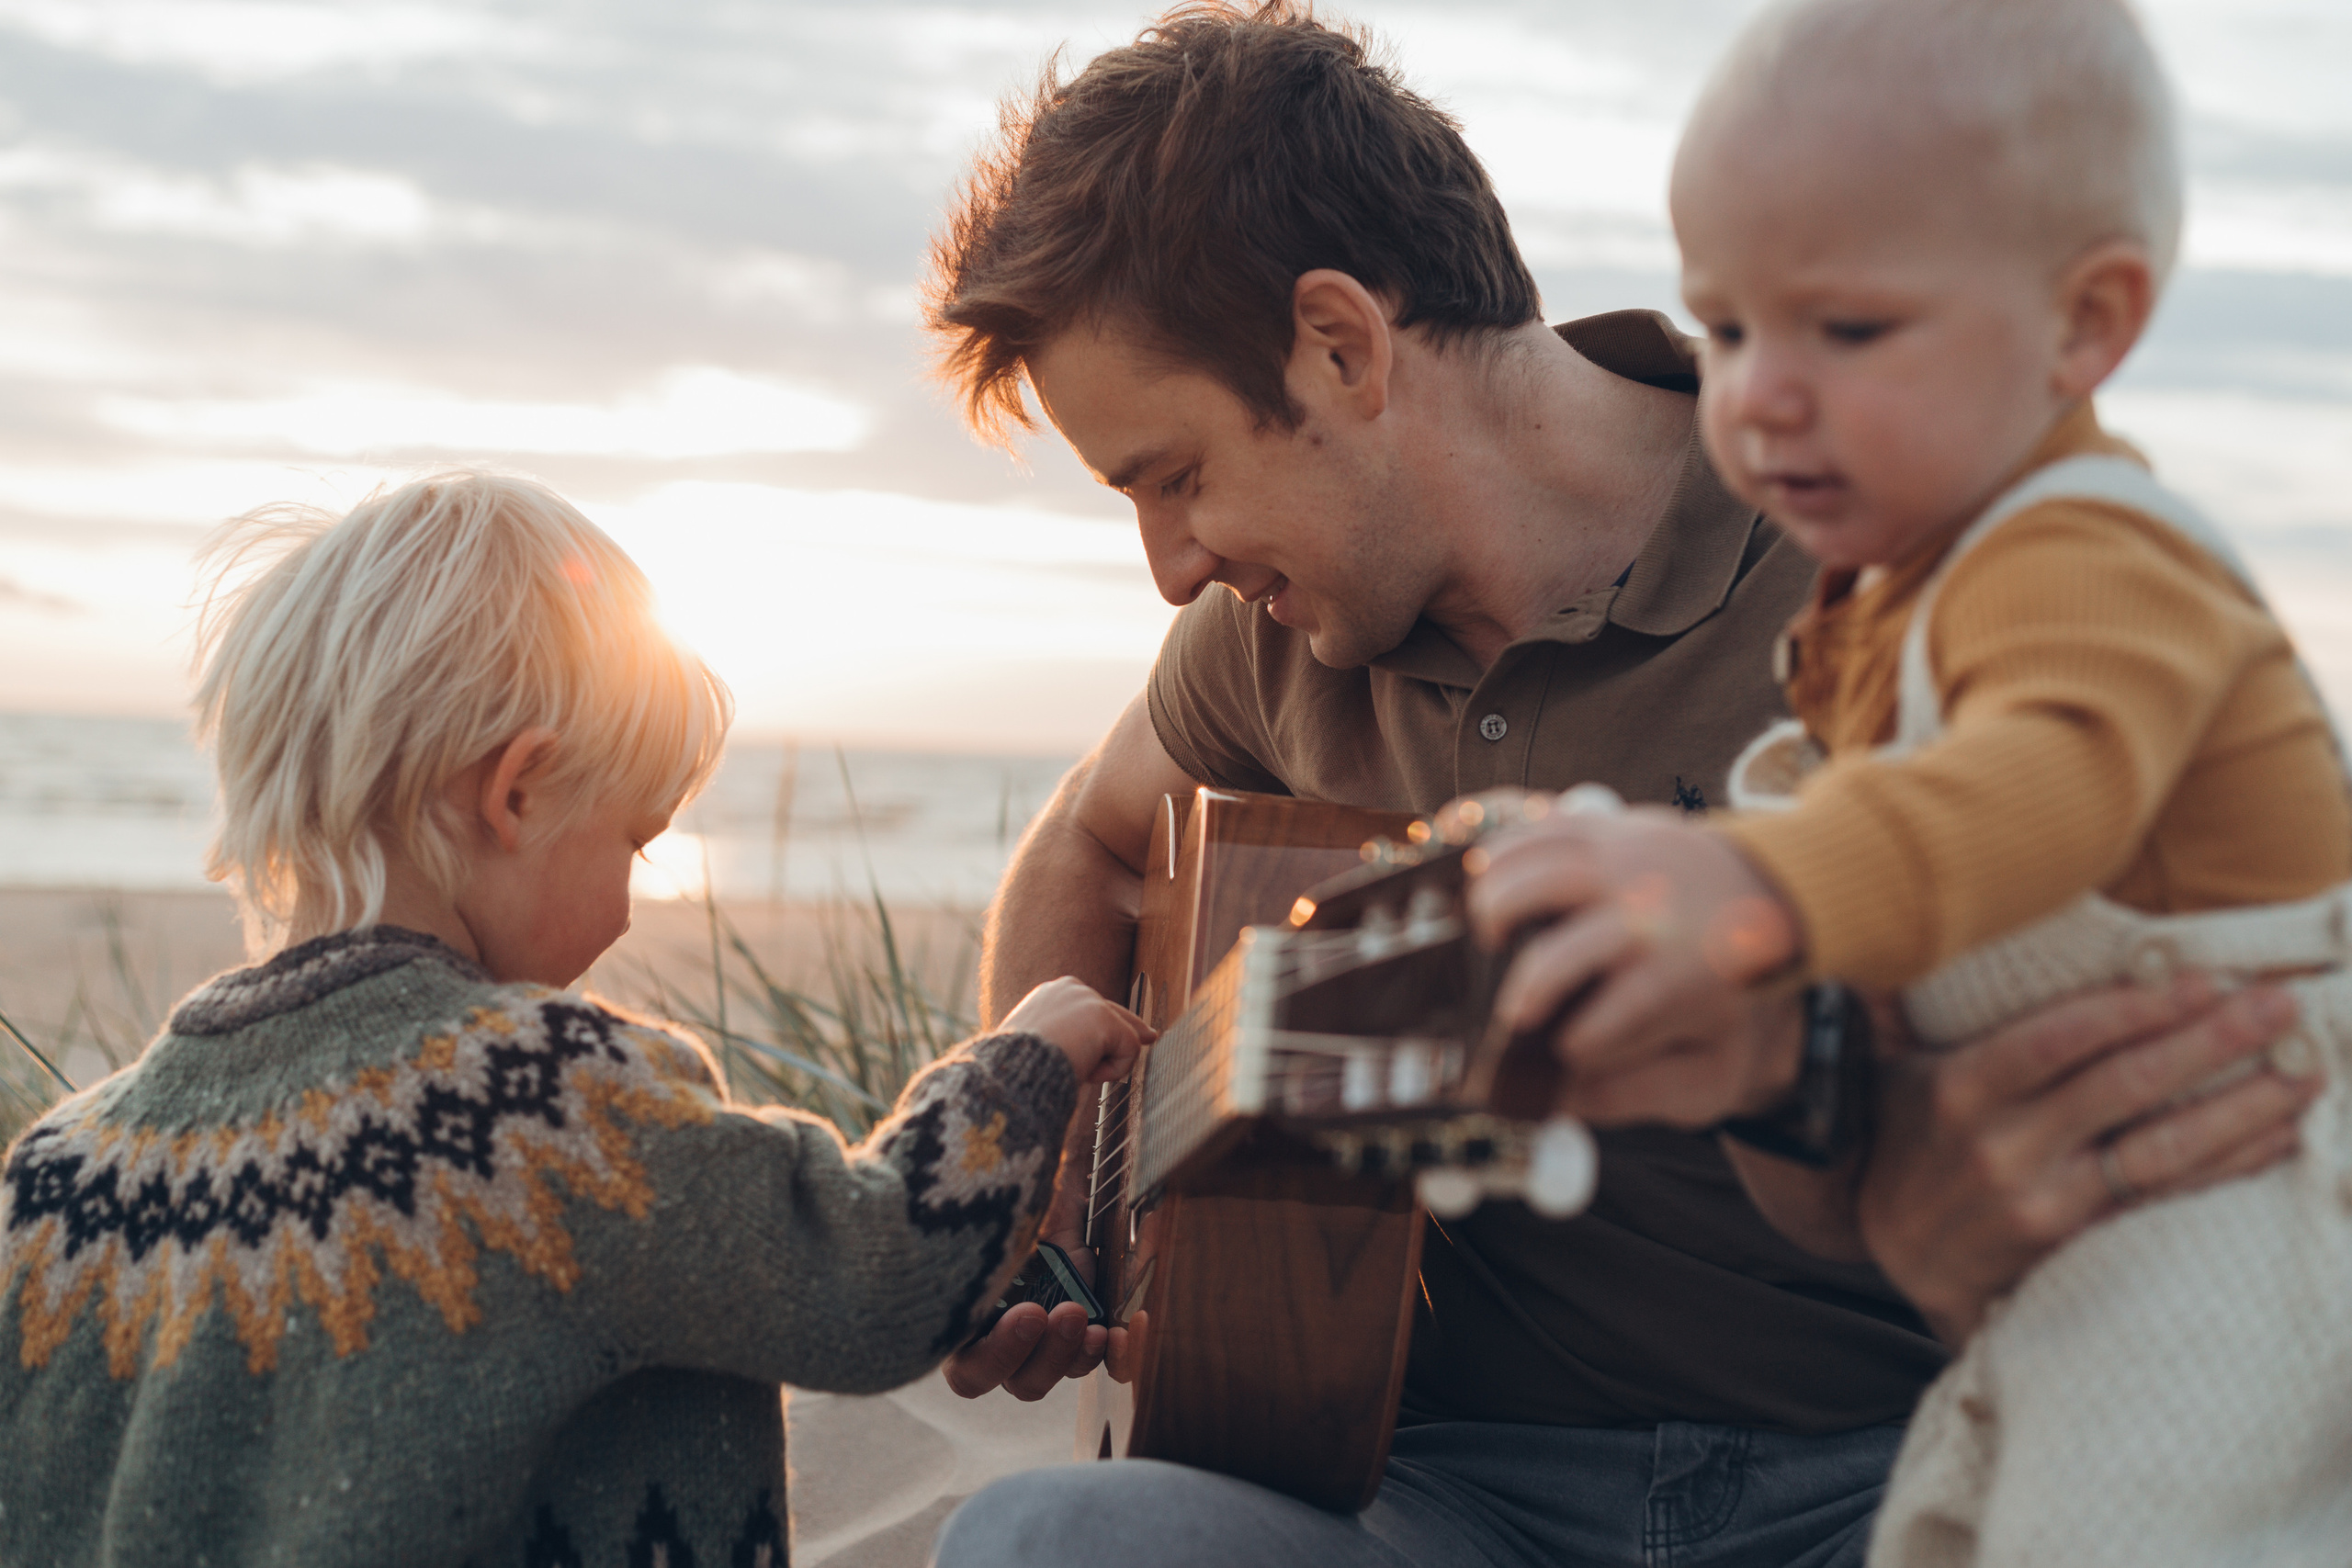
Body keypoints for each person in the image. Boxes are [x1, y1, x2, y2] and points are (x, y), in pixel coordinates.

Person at [918, 6, 2321, 1566]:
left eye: (1175, 477)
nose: (1172, 567)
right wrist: (1045, 1194)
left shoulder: (1896, 545)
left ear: (1341, 345)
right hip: (1441, 1496)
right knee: (1040, 1539)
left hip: (1892, 1467)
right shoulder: (1276, 636)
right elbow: (1093, 837)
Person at [1459, 1, 2352, 1562]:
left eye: (1849, 329)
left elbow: (2032, 788)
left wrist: (1749, 884)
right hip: (2075, 1276)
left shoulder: (2091, 554)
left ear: (2085, 325)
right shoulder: (1887, 605)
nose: (1758, 394)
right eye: (1729, 327)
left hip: (2249, 1221)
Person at [0, 472, 1150, 1567]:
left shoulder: (56, 1178)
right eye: (633, 841)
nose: (629, 905)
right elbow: (871, 1280)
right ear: (516, 791)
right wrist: (1021, 1067)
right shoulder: (535, 1103)